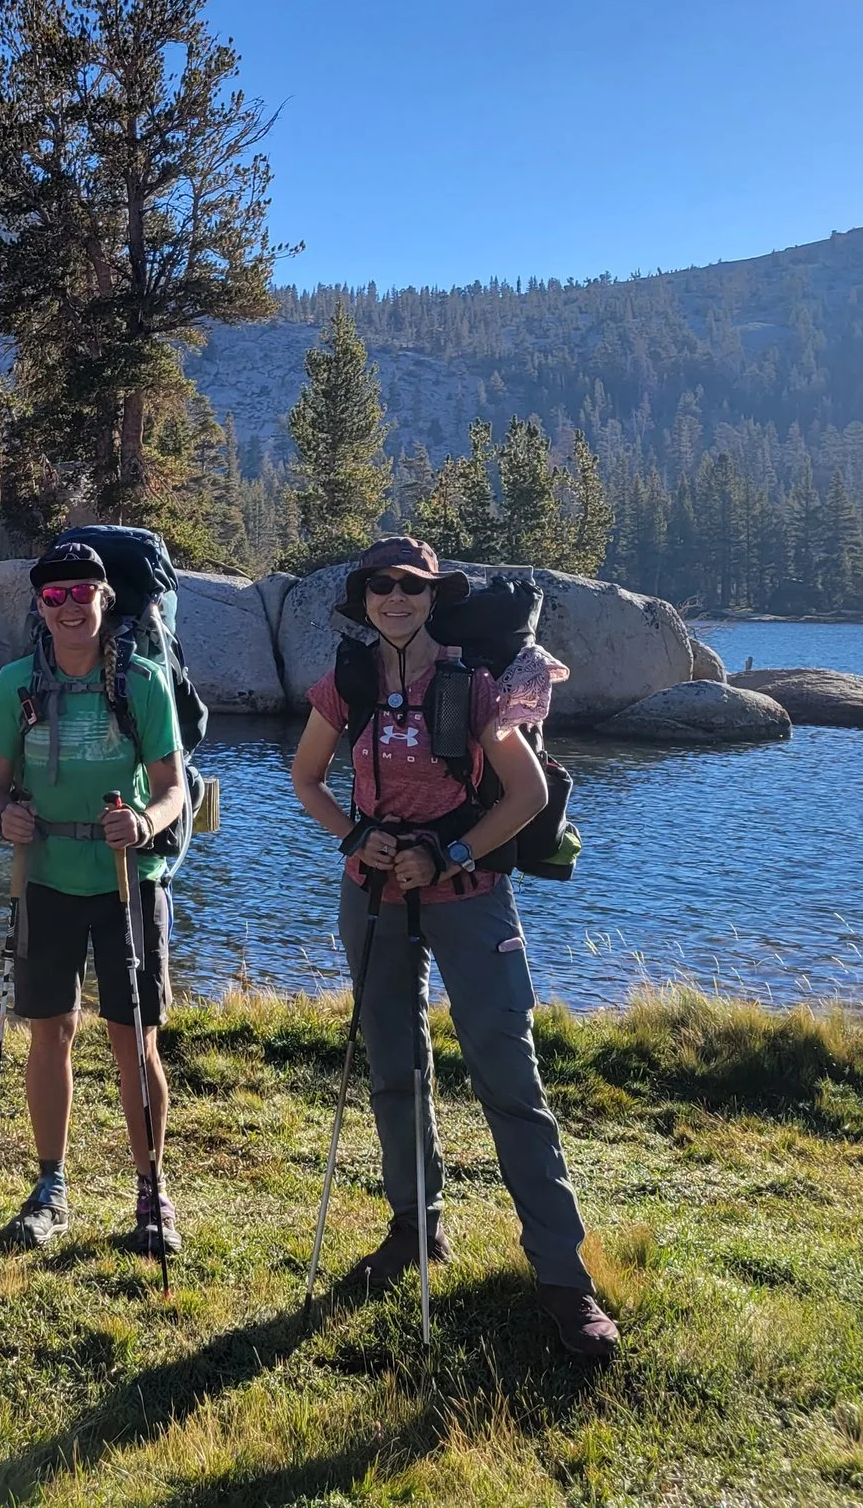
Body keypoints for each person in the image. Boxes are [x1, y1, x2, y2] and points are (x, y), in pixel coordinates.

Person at [287, 535, 619, 1359]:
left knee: (509, 1078)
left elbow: (527, 791)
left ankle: (563, 1278)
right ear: (364, 597)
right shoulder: (348, 682)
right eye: (380, 585)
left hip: (470, 898)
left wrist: (453, 852)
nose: (395, 597)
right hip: (372, 895)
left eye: (412, 585)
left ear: (435, 596)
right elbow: (306, 777)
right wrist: (355, 837)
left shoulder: (474, 685)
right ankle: (415, 1228)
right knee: (394, 1068)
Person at [0, 540, 189, 1258]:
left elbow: (172, 788)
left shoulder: (144, 681)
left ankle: (151, 1190)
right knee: (51, 1032)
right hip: (45, 877)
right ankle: (50, 1187)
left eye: (82, 592)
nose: (69, 606)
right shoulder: (15, 685)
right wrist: (3, 817)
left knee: (135, 1036)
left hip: (129, 878)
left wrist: (145, 823)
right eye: (55, 595)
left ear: (105, 598)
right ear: (40, 606)